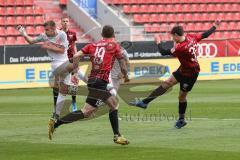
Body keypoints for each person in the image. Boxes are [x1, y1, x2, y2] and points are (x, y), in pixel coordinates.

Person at [129, 20, 221, 129]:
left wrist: (158, 41)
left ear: (176, 35)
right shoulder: (191, 37)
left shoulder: (181, 48)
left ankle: (181, 120)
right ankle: (144, 103)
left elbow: (163, 52)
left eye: (172, 36)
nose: (172, 38)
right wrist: (215, 25)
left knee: (181, 96)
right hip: (183, 69)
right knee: (167, 83)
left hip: (191, 74)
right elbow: (205, 34)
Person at [48, 25, 130, 145]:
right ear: (113, 36)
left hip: (92, 81)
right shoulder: (115, 46)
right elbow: (122, 64)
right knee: (114, 104)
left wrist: (75, 70)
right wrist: (126, 76)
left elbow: (76, 56)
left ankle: (56, 123)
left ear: (102, 35)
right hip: (100, 82)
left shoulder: (92, 45)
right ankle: (117, 136)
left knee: (86, 111)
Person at [16, 20, 85, 129]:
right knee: (76, 68)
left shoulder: (62, 34)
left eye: (48, 30)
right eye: (45, 30)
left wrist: (49, 46)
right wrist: (23, 32)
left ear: (53, 28)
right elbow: (30, 41)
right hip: (57, 65)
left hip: (64, 62)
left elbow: (62, 50)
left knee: (63, 91)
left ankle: (55, 116)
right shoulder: (44, 36)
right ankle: (93, 86)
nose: (46, 32)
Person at [59, 16, 87, 112]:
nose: (65, 23)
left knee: (74, 82)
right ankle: (59, 104)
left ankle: (74, 103)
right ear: (61, 23)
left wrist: (76, 58)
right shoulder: (58, 34)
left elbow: (74, 46)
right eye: (64, 21)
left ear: (69, 23)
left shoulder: (73, 33)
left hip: (71, 60)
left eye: (67, 21)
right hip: (62, 61)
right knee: (63, 84)